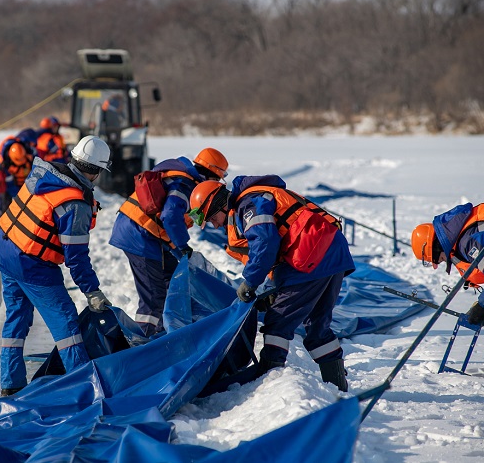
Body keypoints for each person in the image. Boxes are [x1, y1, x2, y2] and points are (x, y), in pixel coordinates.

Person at [188, 175, 355, 391]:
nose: (214, 224)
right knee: (317, 325)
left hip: (312, 258)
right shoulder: (255, 199)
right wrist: (272, 289)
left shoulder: (248, 205)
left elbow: (266, 243)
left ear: (217, 204)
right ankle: (338, 388)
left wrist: (250, 282)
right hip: (331, 254)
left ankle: (268, 378)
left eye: (211, 218)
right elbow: (278, 247)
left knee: (278, 323)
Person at [0, 135, 113, 396]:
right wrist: (93, 291)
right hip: (31, 264)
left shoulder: (47, 176)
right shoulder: (75, 203)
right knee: (66, 322)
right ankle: (84, 388)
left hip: (5, 249)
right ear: (97, 171)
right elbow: (76, 258)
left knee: (16, 320)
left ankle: (11, 385)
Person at [109, 148, 229, 336]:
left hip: (144, 232)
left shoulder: (183, 178)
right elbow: (170, 216)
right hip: (139, 235)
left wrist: (178, 250)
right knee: (154, 296)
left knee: (173, 278)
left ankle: (166, 331)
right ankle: (144, 342)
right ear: (211, 174)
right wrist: (182, 246)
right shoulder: (185, 185)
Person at [411, 202, 484, 326]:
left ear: (436, 249)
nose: (443, 261)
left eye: (438, 259)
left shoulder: (468, 243)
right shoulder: (461, 234)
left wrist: (483, 305)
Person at [0, 129, 37, 236]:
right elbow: (7, 185)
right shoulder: (3, 165)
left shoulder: (27, 152)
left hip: (17, 185)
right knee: (2, 206)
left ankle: (16, 230)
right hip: (3, 186)